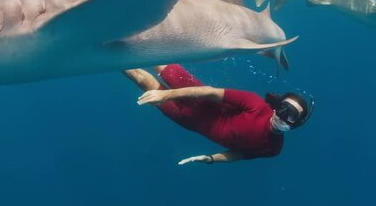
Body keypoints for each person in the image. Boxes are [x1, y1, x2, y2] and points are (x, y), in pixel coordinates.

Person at [124, 64, 314, 165]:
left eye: (290, 116)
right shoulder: (256, 104)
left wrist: (212, 159)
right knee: (157, 62)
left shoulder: (273, 149)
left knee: (139, 78)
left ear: (296, 124)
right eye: (283, 108)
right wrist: (167, 94)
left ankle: (103, 50)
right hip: (197, 93)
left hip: (187, 119)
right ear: (276, 106)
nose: (282, 116)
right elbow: (210, 92)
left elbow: (240, 155)